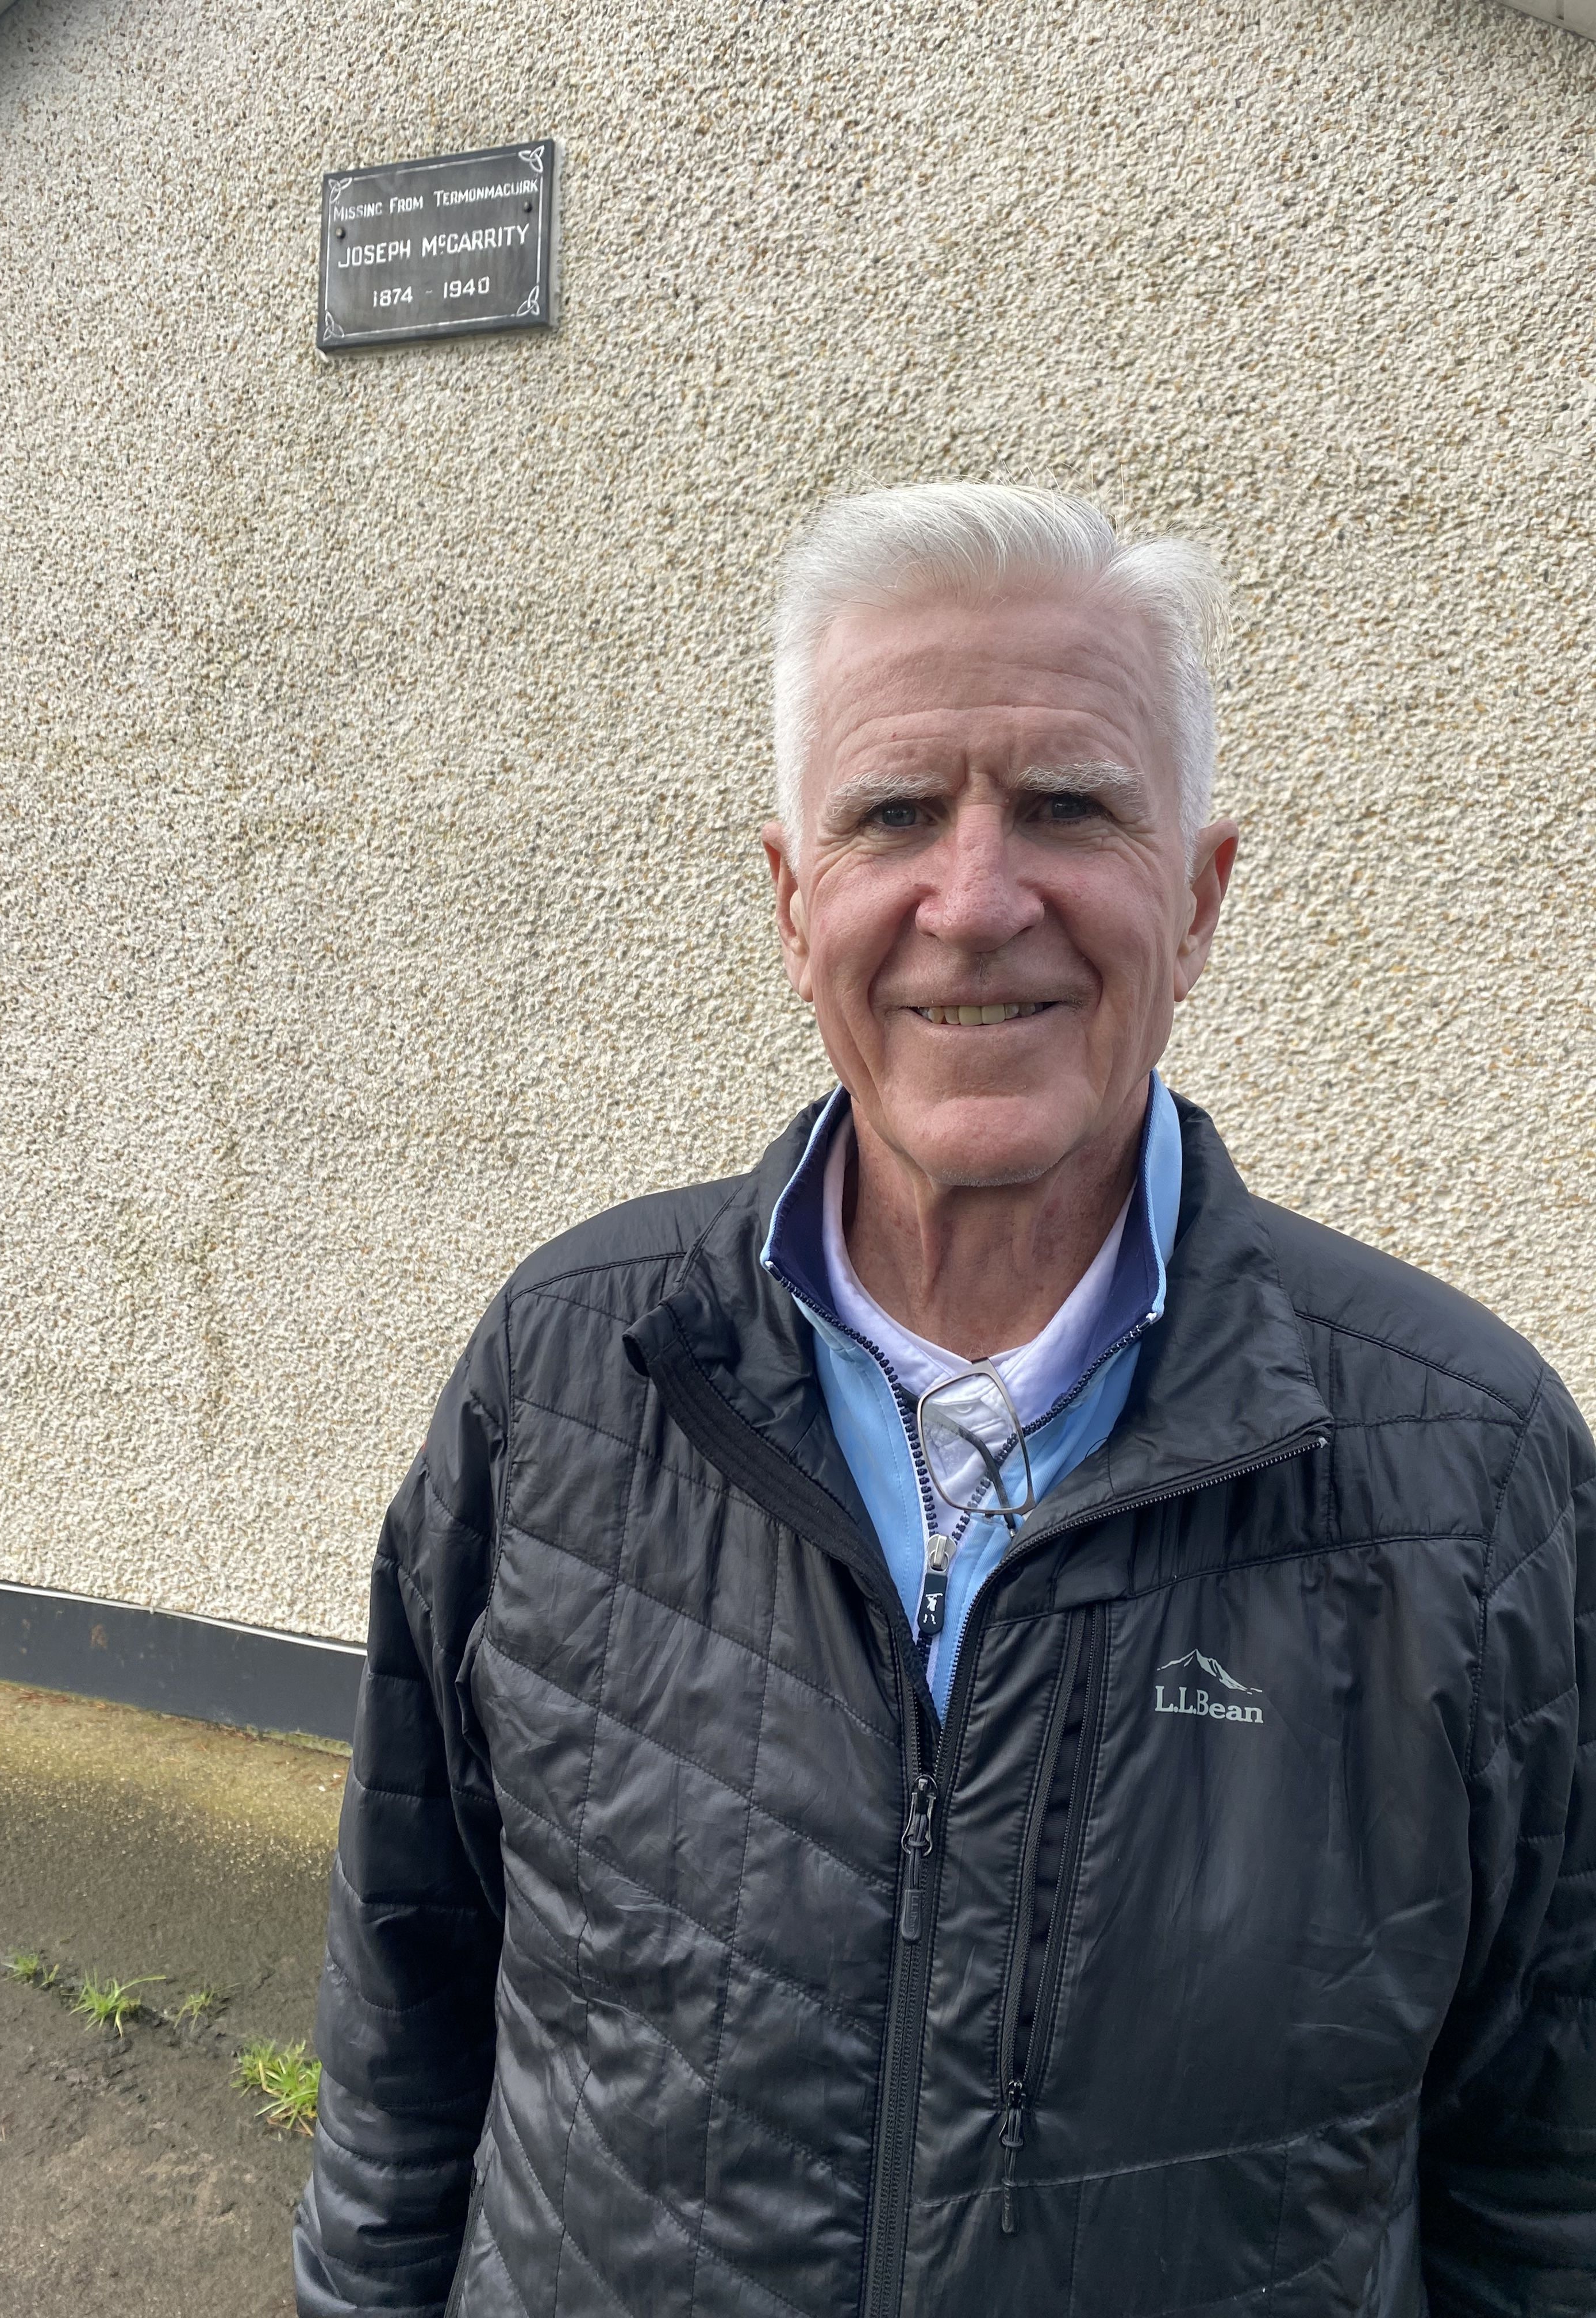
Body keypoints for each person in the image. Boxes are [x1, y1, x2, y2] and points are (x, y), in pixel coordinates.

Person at [293, 484, 1595, 2318]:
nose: (975, 904)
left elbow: (1541, 2177)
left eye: (1068, 807)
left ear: (1201, 898)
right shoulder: (568, 1371)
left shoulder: (1470, 1471)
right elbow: (407, 2016)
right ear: (792, 898)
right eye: (896, 814)